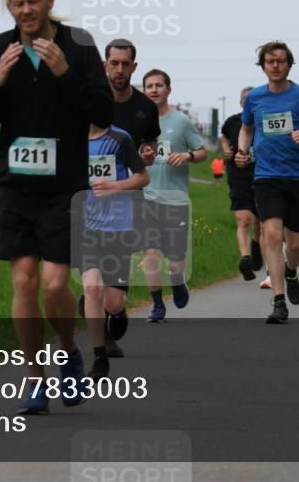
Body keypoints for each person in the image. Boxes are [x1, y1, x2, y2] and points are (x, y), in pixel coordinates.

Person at [0, 0, 113, 415]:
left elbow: (103, 112)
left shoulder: (78, 46)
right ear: (9, 7)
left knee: (54, 285)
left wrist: (65, 73)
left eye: (34, 1)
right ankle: (34, 379)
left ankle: (67, 350)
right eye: (18, 3)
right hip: (14, 188)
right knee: (24, 282)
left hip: (64, 188)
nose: (27, 9)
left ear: (50, 1)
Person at [235, 41, 299, 324]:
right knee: (272, 235)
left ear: (289, 65)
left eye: (280, 61)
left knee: (296, 244)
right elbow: (246, 128)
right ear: (263, 66)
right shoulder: (255, 97)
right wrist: (242, 151)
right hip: (266, 176)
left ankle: (292, 270)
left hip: (298, 177)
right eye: (270, 61)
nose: (275, 66)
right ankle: (279, 302)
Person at [95, 38, 161, 358]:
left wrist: (148, 153)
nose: (119, 70)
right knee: (92, 273)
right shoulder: (89, 101)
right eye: (114, 63)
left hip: (126, 200)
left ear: (134, 67)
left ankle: (115, 308)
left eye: (125, 64)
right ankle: (101, 335)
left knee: (114, 292)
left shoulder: (145, 107)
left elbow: (151, 145)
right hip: (89, 199)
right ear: (104, 64)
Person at [80, 122, 149, 380]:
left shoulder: (120, 138)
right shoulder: (70, 135)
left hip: (118, 226)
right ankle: (99, 356)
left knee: (113, 301)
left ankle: (117, 311)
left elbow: (143, 177)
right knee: (92, 288)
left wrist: (114, 187)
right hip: (84, 226)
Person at [141, 69, 206, 323]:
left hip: (175, 200)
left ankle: (177, 280)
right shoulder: (137, 121)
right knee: (151, 255)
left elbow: (202, 152)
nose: (154, 90)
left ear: (168, 90)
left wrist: (187, 156)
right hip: (147, 198)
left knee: (175, 263)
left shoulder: (181, 121)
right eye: (149, 86)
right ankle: (157, 305)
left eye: (159, 85)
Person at [220, 86, 264, 283]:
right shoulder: (232, 121)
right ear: (240, 102)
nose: (248, 101)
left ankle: (256, 244)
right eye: (245, 98)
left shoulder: (263, 121)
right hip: (238, 175)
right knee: (243, 219)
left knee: (260, 221)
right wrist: (226, 150)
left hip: (262, 175)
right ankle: (245, 259)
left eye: (252, 98)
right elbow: (224, 136)